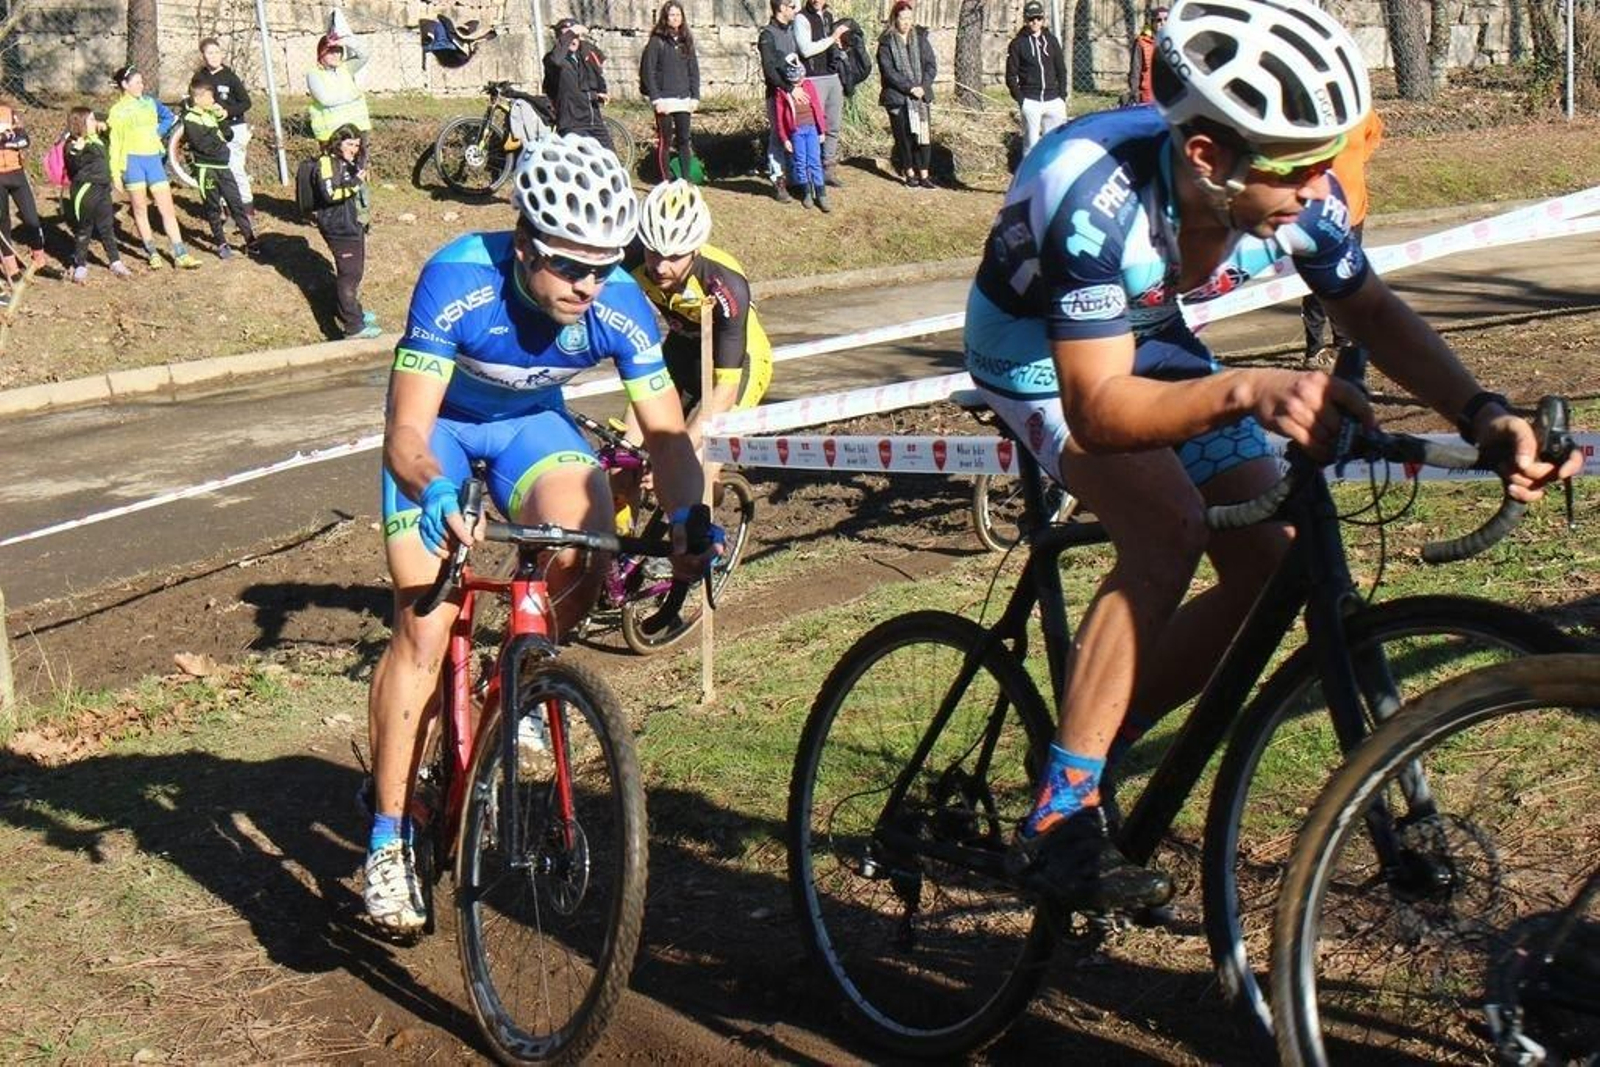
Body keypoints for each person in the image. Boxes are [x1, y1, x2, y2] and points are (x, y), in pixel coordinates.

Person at [962, 0, 1581, 912]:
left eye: (1331, 159)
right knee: (1167, 526)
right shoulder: (1089, 193)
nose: (1322, 186)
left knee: (1269, 561)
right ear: (1209, 155)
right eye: (1299, 169)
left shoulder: (1293, 192)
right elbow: (1097, 411)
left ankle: (1089, 738)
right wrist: (1250, 388)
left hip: (1149, 331)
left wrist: (1484, 412)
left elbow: (1368, 308)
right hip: (1035, 352)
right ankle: (1059, 815)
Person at [362, 134, 711, 934]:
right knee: (423, 623)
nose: (591, 284)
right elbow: (404, 435)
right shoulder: (457, 280)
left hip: (529, 430)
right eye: (571, 266)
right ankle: (385, 837)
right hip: (440, 440)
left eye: (605, 264)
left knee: (590, 532)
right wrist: (438, 491)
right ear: (525, 245)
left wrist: (690, 514)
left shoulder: (618, 304)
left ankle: (515, 681)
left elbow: (666, 439)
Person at [631, 180, 774, 442]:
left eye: (674, 257)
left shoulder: (724, 283)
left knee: (699, 459)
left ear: (695, 250)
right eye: (653, 253)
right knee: (631, 450)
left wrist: (684, 452)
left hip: (738, 361)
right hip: (683, 350)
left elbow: (727, 388)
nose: (661, 267)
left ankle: (711, 480)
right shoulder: (631, 259)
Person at [1302, 108, 1384, 366]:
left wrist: (1358, 159)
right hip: (1320, 212)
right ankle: (1314, 347)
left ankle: (1343, 340)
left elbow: (1375, 132)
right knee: (1318, 281)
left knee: (1346, 278)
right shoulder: (1305, 113)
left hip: (1354, 208)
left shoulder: (1359, 110)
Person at [107, 66, 200, 270]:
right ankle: (152, 252)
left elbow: (169, 118)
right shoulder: (117, 111)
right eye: (137, 82)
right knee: (140, 209)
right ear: (125, 85)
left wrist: (157, 132)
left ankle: (180, 253)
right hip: (132, 162)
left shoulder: (150, 102)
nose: (142, 85)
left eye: (142, 82)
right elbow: (114, 145)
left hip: (153, 160)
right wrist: (115, 173)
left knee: (166, 208)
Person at [310, 124, 379, 340]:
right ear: (337, 142)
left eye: (357, 145)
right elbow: (330, 194)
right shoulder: (326, 162)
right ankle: (353, 327)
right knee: (348, 275)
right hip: (338, 226)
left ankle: (353, 312)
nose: (354, 149)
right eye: (349, 144)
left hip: (350, 222)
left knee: (355, 272)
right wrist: (357, 181)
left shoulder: (344, 161)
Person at [181, 79, 261, 260]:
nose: (213, 100)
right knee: (213, 207)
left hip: (224, 168)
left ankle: (250, 240)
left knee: (236, 203)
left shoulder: (212, 115)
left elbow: (228, 135)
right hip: (207, 169)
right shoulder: (190, 118)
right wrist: (219, 141)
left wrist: (220, 119)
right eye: (209, 96)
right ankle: (221, 242)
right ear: (198, 98)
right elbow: (202, 145)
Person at [63, 107, 131, 284]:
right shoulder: (73, 143)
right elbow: (72, 166)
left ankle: (115, 261)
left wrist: (103, 126)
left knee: (107, 226)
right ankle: (80, 264)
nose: (96, 122)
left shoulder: (98, 139)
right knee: (84, 228)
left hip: (103, 189)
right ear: (81, 123)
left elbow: (110, 131)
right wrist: (77, 150)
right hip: (85, 190)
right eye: (92, 120)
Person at [877, 0, 936, 189]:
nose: (907, 22)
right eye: (903, 18)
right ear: (895, 18)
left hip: (921, 95)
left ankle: (924, 175)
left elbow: (930, 65)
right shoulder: (886, 42)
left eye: (909, 18)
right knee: (904, 137)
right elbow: (889, 71)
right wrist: (910, 87)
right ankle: (910, 173)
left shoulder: (920, 38)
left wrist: (923, 86)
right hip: (898, 96)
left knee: (923, 136)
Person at [640, 2, 701, 183]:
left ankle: (686, 179)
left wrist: (695, 96)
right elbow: (648, 71)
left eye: (678, 15)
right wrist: (656, 98)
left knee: (683, 140)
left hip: (683, 98)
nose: (675, 18)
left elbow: (693, 70)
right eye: (672, 15)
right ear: (665, 18)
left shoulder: (686, 41)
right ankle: (664, 181)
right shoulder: (656, 41)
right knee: (665, 141)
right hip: (664, 99)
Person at [191, 37, 253, 214]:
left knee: (235, 168)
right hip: (211, 130)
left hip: (234, 128)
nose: (214, 56)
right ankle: (226, 209)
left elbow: (246, 103)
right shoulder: (199, 77)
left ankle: (247, 209)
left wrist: (228, 112)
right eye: (209, 53)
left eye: (217, 52)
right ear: (203, 55)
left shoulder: (230, 77)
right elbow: (194, 99)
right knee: (220, 171)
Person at [793, 0, 850, 188]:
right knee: (814, 128)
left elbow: (831, 46)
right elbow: (806, 50)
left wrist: (841, 46)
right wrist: (832, 38)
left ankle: (828, 169)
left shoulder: (827, 16)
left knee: (833, 126)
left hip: (832, 76)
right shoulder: (801, 18)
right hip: (813, 79)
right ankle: (812, 172)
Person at [1005, 0, 1069, 156]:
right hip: (1031, 100)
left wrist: (1062, 95)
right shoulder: (1017, 44)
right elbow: (1011, 75)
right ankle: (1029, 177)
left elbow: (1061, 70)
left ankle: (1053, 175)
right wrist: (1021, 99)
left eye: (1038, 18)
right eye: (1031, 19)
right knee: (1031, 144)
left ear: (1043, 19)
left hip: (1054, 99)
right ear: (1025, 20)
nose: (1035, 22)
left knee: (1056, 142)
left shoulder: (1052, 41)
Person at [542, 18, 613, 150]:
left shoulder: (585, 55)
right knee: (581, 161)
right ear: (560, 40)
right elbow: (556, 60)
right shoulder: (552, 60)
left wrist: (601, 91)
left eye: (575, 36)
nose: (573, 40)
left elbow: (597, 75)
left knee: (610, 157)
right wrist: (571, 32)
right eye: (568, 36)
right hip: (571, 122)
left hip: (593, 119)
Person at [756, 0, 800, 203]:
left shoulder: (791, 30)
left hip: (795, 92)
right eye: (792, 6)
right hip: (777, 94)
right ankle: (779, 180)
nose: (795, 10)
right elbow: (770, 69)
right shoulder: (767, 35)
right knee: (777, 137)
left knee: (793, 135)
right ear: (781, 8)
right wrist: (788, 88)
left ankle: (793, 178)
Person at [0, 99, 46, 280]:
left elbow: (23, 139)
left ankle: (39, 261)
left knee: (31, 218)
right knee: (3, 221)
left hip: (16, 173)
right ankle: (11, 268)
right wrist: (7, 138)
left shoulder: (7, 111)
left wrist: (5, 139)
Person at [307, 29, 371, 160]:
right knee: (334, 168)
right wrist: (352, 96)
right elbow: (325, 100)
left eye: (338, 51)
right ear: (321, 53)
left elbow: (364, 55)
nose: (336, 55)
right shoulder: (314, 74)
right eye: (331, 51)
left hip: (357, 128)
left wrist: (345, 40)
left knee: (360, 165)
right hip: (332, 133)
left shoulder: (346, 68)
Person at [775, 55, 828, 211]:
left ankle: (821, 192)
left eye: (801, 79)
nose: (800, 83)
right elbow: (780, 117)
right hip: (796, 131)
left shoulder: (809, 85)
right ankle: (805, 192)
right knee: (800, 162)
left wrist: (821, 129)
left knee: (815, 161)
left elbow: (817, 107)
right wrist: (785, 138)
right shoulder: (782, 92)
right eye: (796, 81)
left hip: (812, 128)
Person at [1127, 5, 1167, 105]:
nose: (1163, 23)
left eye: (1166, 19)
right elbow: (1135, 72)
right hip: (1148, 98)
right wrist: (1135, 95)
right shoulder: (1142, 42)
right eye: (1159, 20)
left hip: (1170, 97)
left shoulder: (1174, 41)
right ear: (1152, 22)